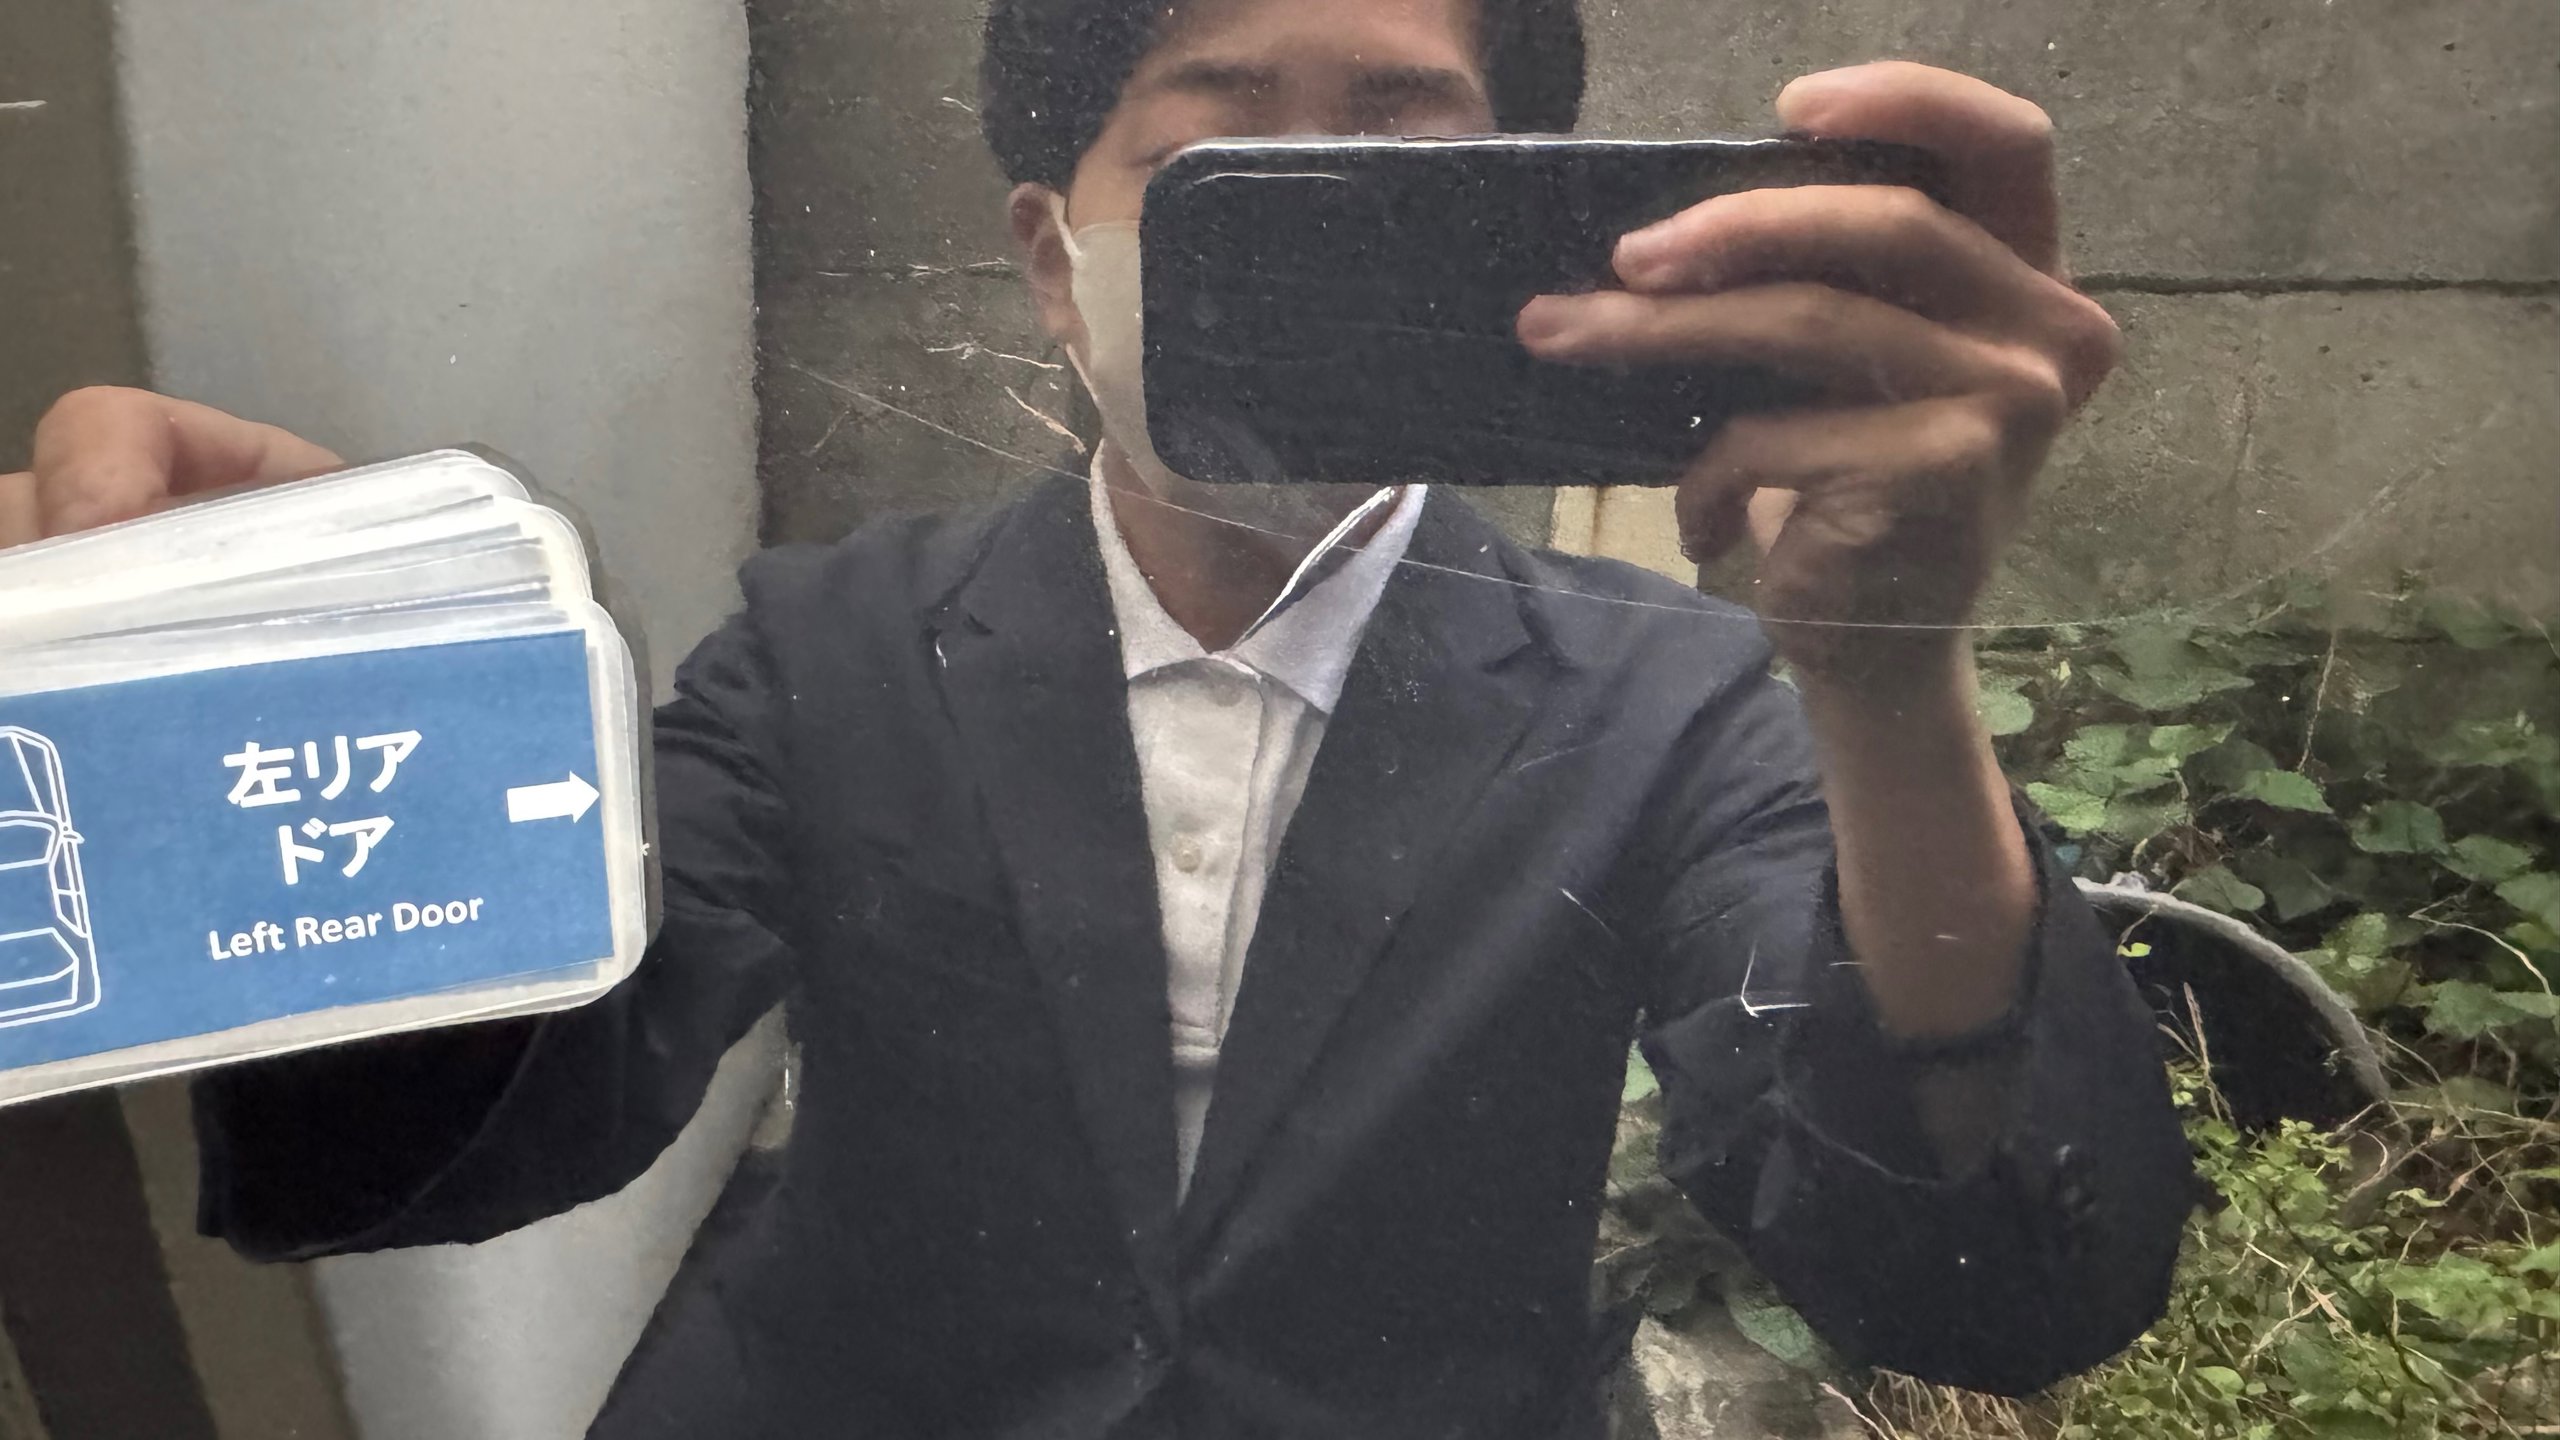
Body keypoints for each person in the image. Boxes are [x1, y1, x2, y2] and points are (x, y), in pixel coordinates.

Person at [0, 0, 2195, 1434]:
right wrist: (334, 732)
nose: (1318, 232)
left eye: (1400, 165)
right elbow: (489, 1129)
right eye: (1226, 164)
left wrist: (1890, 679)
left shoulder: (1670, 695)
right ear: (1057, 265)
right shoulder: (833, 640)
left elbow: (1975, 1280)